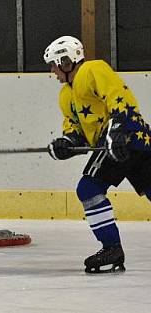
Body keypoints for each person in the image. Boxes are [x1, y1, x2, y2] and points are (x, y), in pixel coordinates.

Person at [43, 35, 151, 274]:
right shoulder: (66, 96)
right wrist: (65, 143)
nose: (53, 71)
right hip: (132, 141)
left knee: (88, 189)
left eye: (54, 64)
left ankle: (112, 248)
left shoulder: (93, 69)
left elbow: (119, 97)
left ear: (66, 61)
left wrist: (117, 131)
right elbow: (76, 131)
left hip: (125, 137)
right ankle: (112, 248)